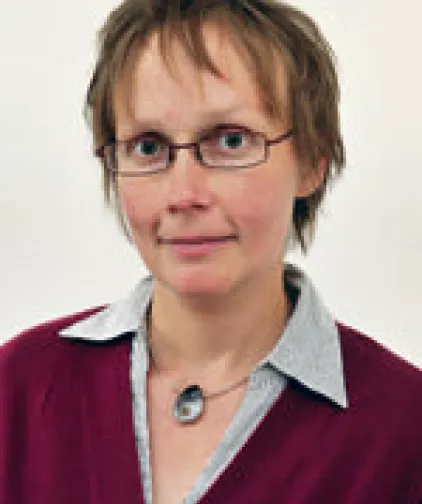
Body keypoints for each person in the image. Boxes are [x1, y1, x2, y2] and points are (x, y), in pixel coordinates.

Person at [1, 0, 421, 503]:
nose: (183, 195)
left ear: (313, 161)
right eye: (148, 146)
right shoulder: (16, 390)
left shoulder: (404, 431)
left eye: (230, 141)